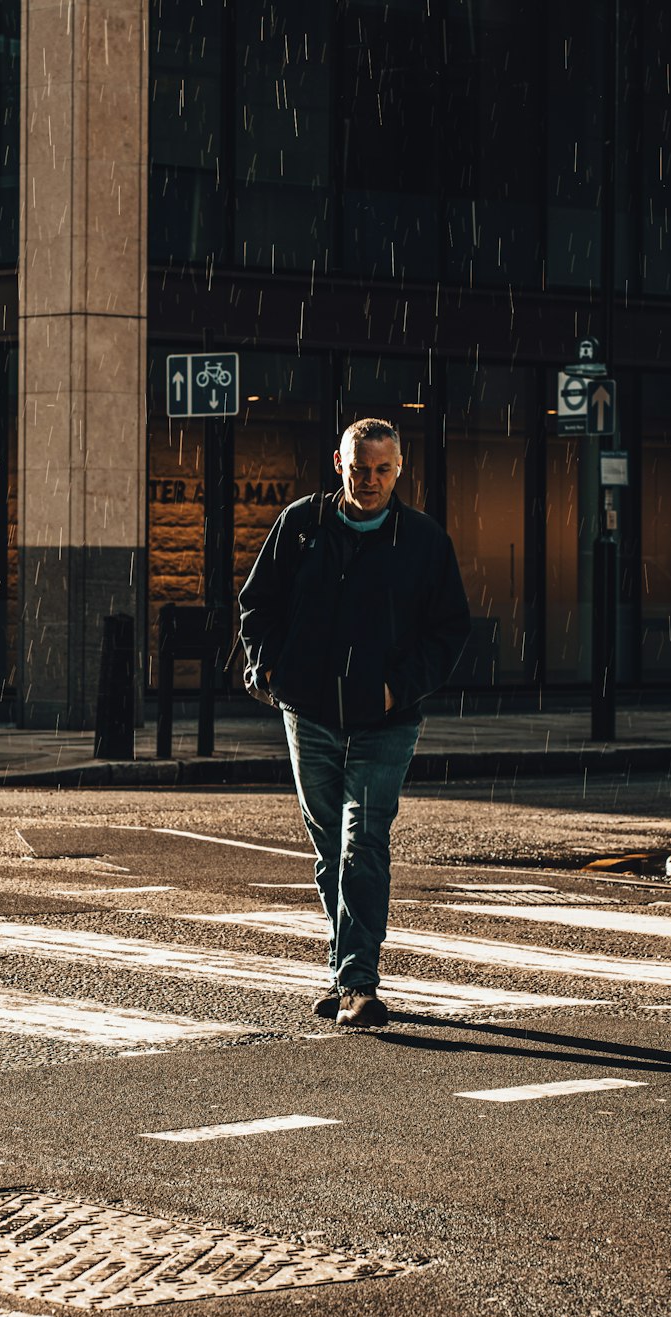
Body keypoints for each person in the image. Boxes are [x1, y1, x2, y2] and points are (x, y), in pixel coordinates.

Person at [238, 417, 471, 1029]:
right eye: (359, 468)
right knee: (328, 845)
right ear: (338, 464)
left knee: (363, 840)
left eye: (382, 469)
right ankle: (346, 970)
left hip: (385, 717)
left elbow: (449, 631)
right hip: (309, 710)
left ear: (400, 470)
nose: (370, 480)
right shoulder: (302, 525)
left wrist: (399, 689)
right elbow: (257, 603)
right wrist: (266, 667)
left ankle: (359, 985)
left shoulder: (422, 541)